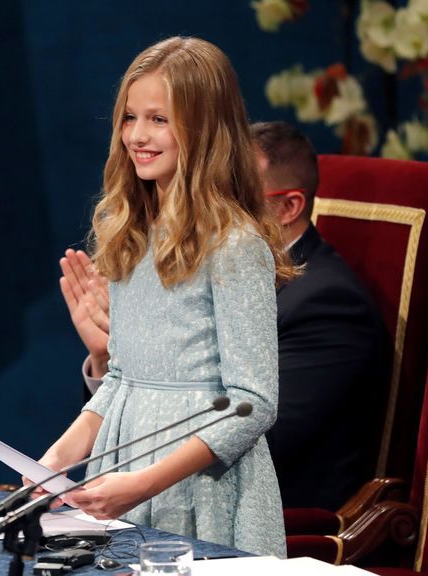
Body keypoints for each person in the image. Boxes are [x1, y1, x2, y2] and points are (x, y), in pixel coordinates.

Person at [39, 36, 292, 557]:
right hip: (122, 467)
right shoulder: (129, 233)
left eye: (159, 119)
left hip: (201, 490)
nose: (137, 135)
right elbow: (121, 379)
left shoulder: (236, 245)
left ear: (204, 130)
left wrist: (147, 483)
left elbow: (252, 402)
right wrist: (53, 462)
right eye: (130, 118)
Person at [60, 121, 391, 511]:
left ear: (288, 207)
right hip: (164, 497)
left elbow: (253, 435)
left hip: (268, 518)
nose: (210, 201)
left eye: (232, 190)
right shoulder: (204, 269)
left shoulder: (327, 306)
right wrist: (115, 357)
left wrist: (154, 365)